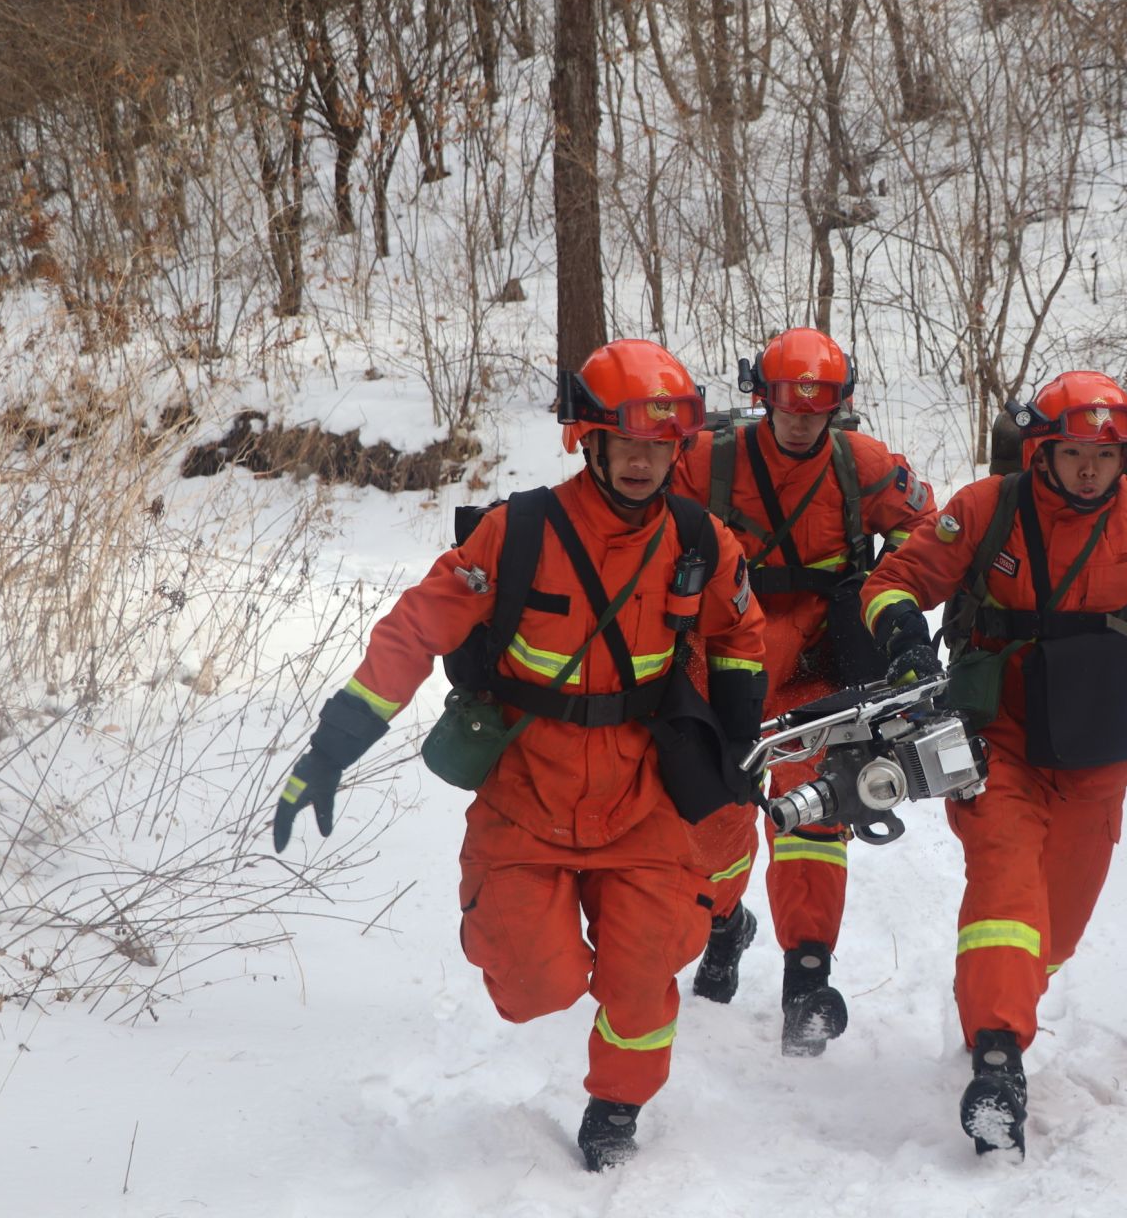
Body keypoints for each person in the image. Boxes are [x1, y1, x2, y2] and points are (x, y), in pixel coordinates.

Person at [270, 340, 767, 1171]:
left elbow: (740, 630)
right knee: (532, 983)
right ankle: (566, 970)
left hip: (641, 793)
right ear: (589, 440)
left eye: (660, 446)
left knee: (643, 977)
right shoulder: (518, 533)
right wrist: (335, 744)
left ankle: (617, 1105)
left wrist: (741, 720)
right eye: (627, 442)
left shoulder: (701, 540)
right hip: (525, 793)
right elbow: (414, 630)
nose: (644, 462)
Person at [859, 370, 1127, 1155]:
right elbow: (896, 578)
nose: (1088, 468)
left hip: (1097, 749)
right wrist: (904, 633)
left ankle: (1002, 1002)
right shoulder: (985, 508)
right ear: (1041, 450)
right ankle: (999, 1062)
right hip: (997, 736)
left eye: (1105, 456)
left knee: (1055, 926)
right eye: (1074, 451)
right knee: (1005, 885)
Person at [673, 326, 937, 1055]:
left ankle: (807, 983)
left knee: (814, 817)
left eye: (816, 406)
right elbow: (636, 524)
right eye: (787, 403)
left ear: (837, 406)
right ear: (762, 398)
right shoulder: (705, 462)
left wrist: (889, 594)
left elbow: (930, 532)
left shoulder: (865, 465)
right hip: (724, 669)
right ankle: (726, 926)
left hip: (820, 678)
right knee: (713, 830)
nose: (799, 419)